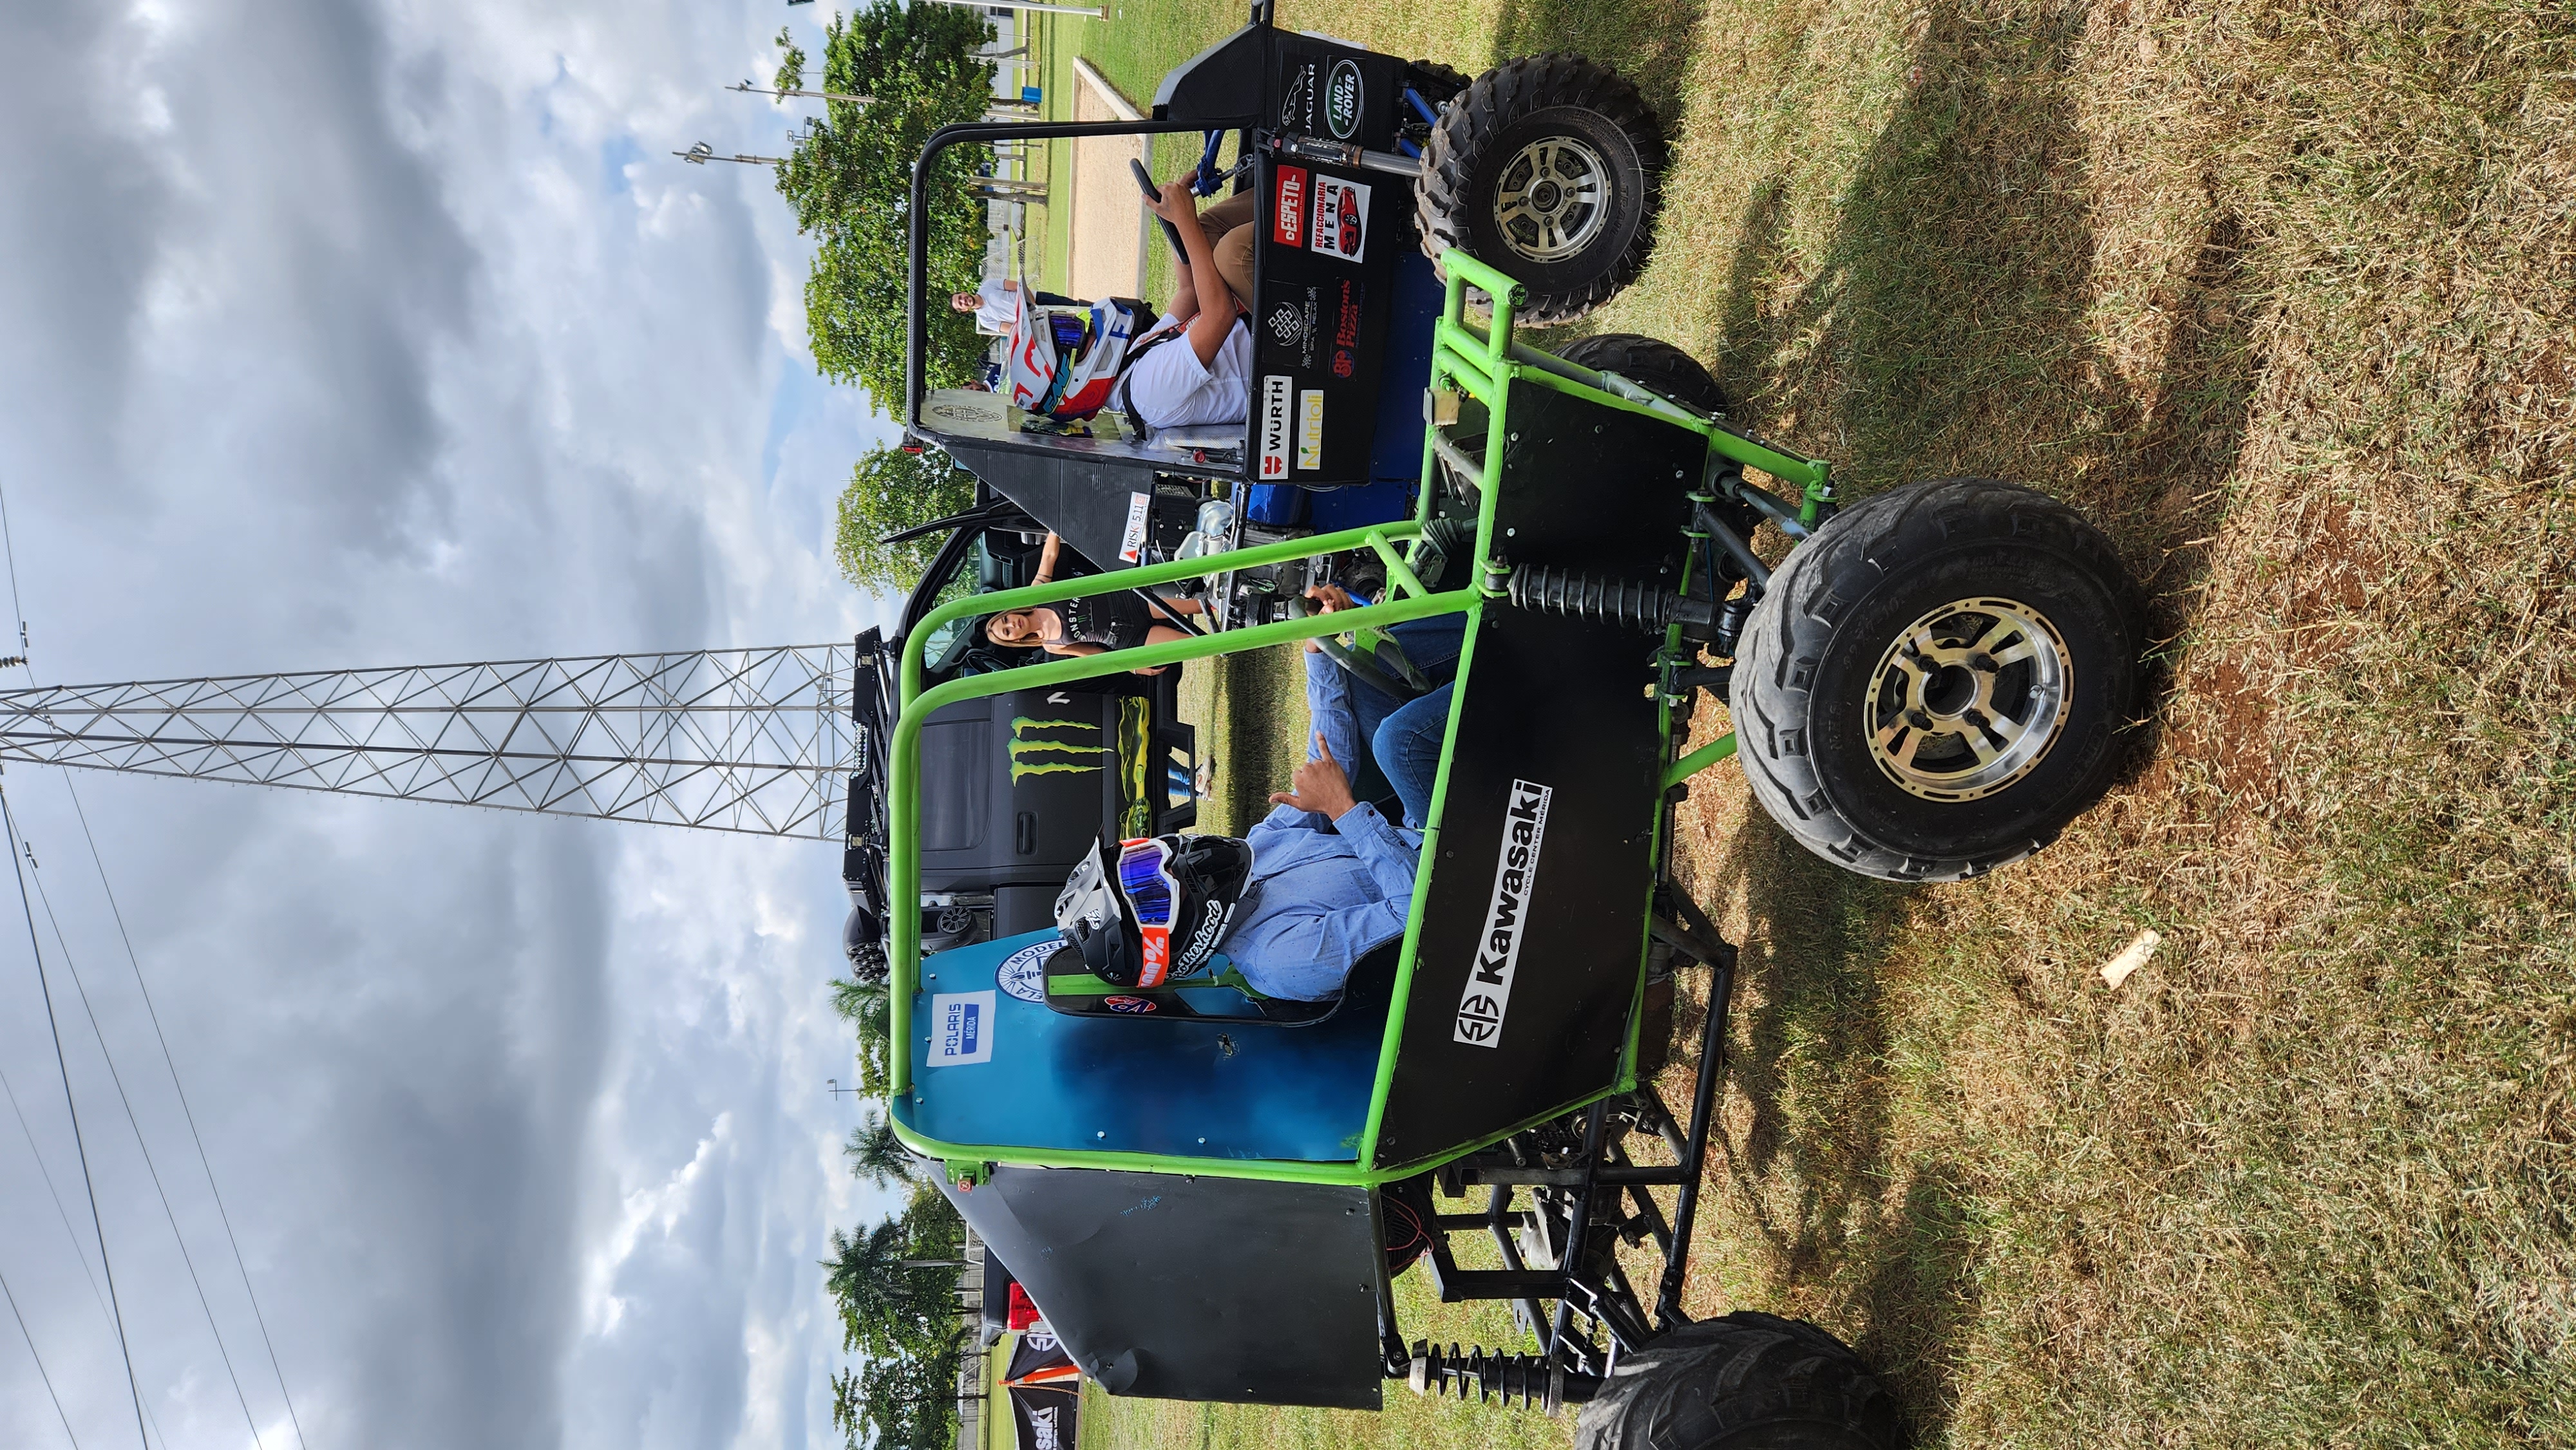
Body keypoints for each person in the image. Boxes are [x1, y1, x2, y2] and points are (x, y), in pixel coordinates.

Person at [1043, 587, 1467, 1003]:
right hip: (1464, 874)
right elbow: (1421, 911)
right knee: (1399, 742)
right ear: (1166, 935)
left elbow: (1328, 758)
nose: (1166, 863)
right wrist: (1344, 811)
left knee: (1366, 675)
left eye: (1140, 861)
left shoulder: (1255, 857)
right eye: (1150, 891)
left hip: (1421, 831)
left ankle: (1499, 616)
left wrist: (1317, 650)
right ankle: (1514, 651)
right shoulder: (1281, 960)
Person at [1108, 177, 1260, 431]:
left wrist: (1176, 222)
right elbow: (1220, 315)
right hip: (1280, 346)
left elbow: (1188, 291)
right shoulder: (1146, 389)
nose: (1082, 323)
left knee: (1207, 229)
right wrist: (1184, 220)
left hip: (1256, 324)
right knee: (1233, 254)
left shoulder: (1129, 365)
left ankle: (1303, 180)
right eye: (1071, 335)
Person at [981, 533, 1205, 674]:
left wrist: (1057, 524)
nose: (1012, 625)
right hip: (1128, 639)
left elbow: (1049, 557)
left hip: (1131, 600)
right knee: (1196, 645)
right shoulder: (1051, 645)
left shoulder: (1037, 595)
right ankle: (1239, 636)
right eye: (1007, 632)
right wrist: (1134, 668)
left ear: (1010, 612)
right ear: (1016, 640)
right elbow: (1095, 654)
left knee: (1201, 603)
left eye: (1006, 620)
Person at [952, 277, 1078, 336]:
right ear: (964, 310)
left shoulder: (988, 286)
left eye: (961, 297)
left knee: (1074, 306)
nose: (964, 301)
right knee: (1073, 324)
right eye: (961, 304)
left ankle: (1096, 308)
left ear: (963, 293)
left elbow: (1017, 287)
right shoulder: (985, 321)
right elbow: (1014, 329)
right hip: (1039, 321)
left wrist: (1033, 304)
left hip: (1038, 299)